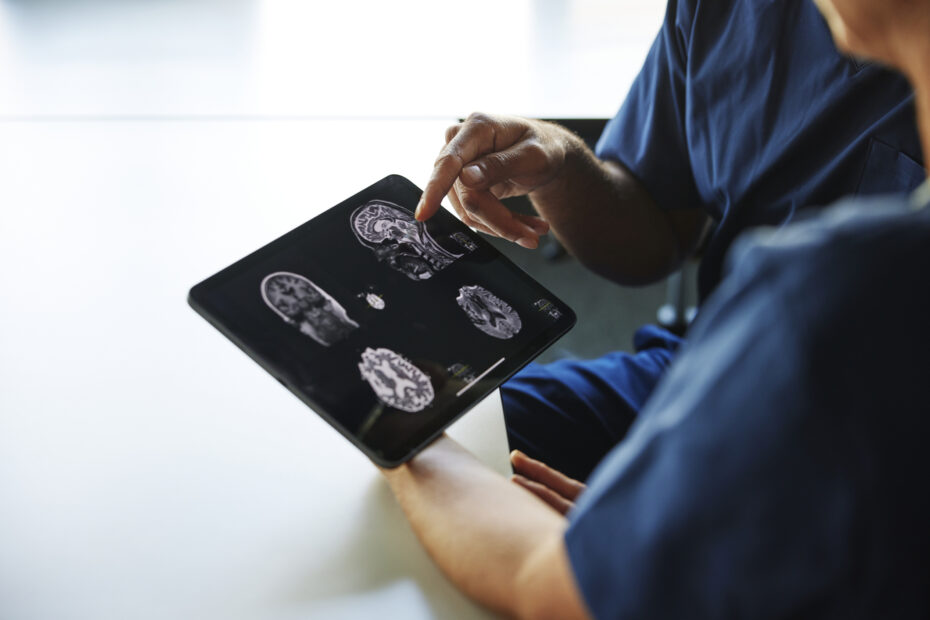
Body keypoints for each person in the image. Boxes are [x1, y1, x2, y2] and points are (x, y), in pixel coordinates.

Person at [380, 0, 930, 617]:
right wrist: (560, 163)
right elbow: (652, 231)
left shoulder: (835, 282)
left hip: (853, 428)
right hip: (707, 363)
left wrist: (394, 422)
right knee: (472, 434)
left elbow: (550, 588)